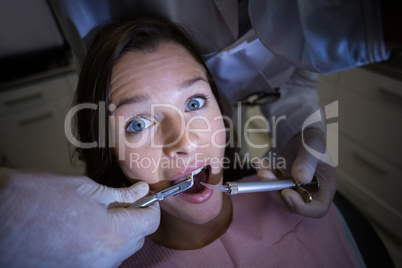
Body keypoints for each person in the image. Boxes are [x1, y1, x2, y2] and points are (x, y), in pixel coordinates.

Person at [72, 16, 361, 266]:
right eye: (138, 123)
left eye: (195, 103)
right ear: (109, 153)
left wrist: (306, 135)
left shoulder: (296, 209)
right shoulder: (104, 260)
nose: (185, 142)